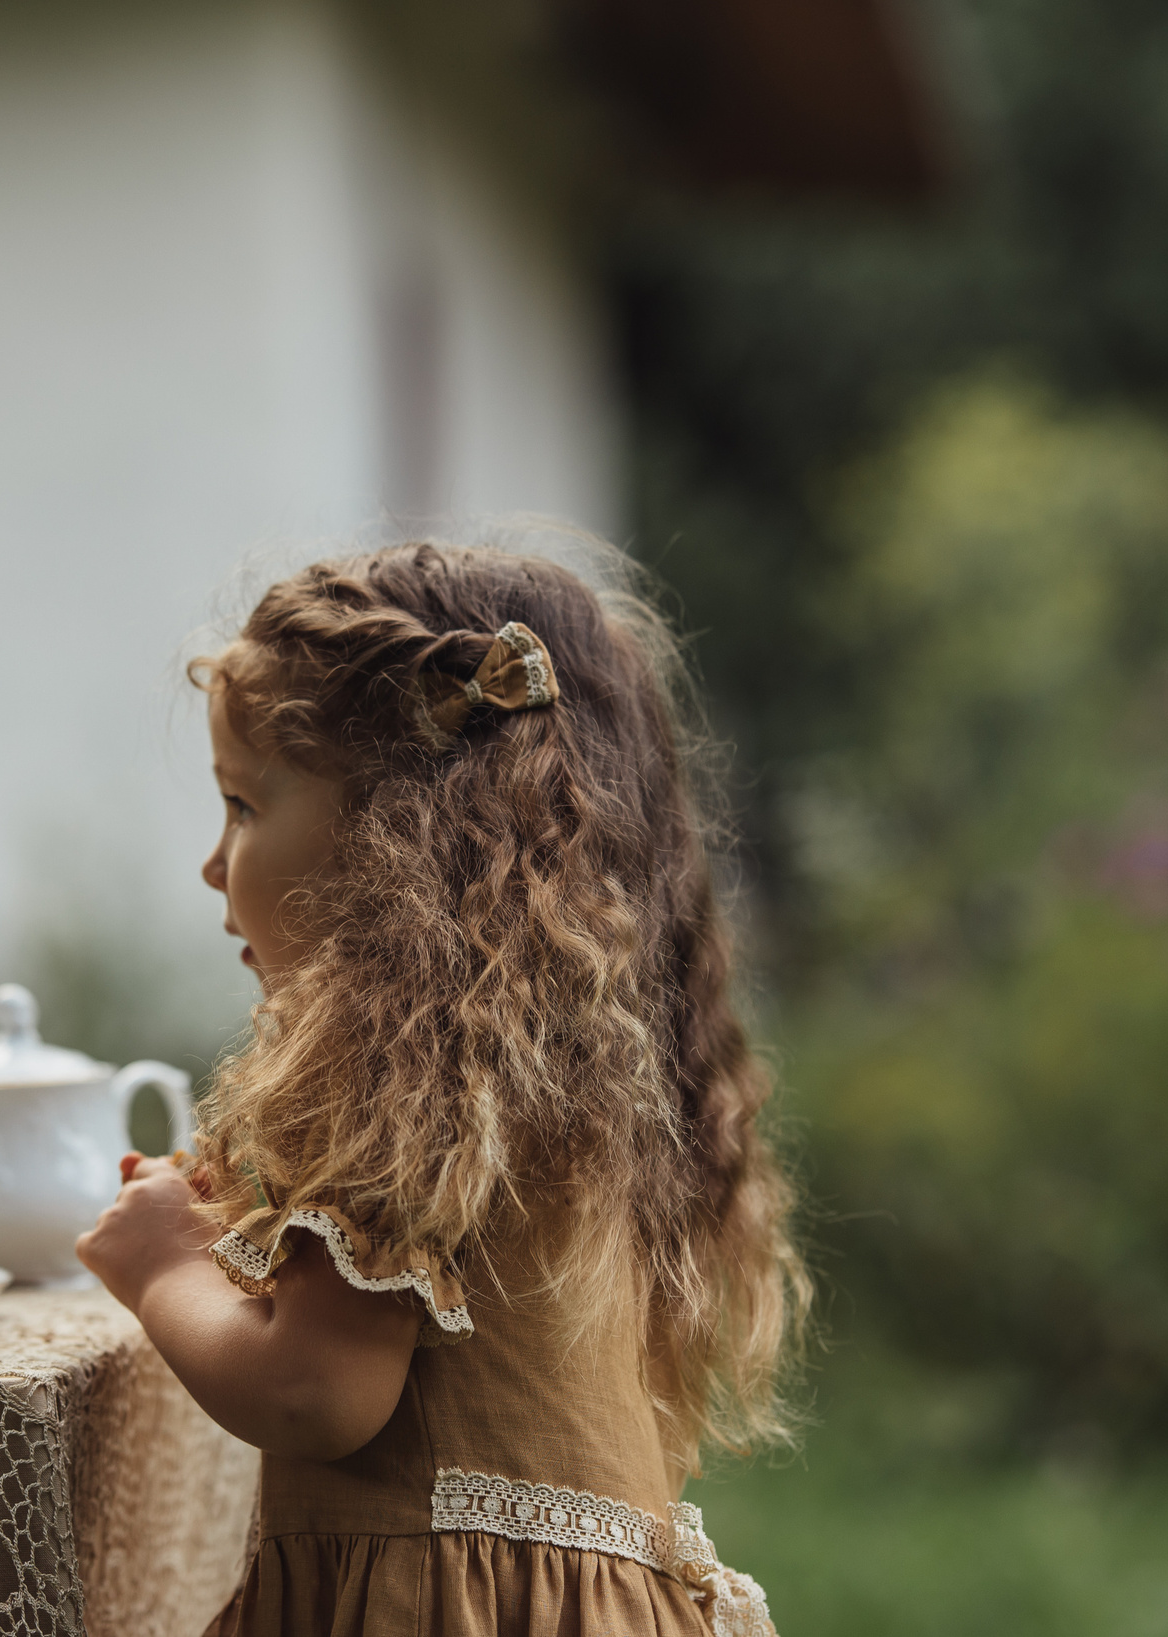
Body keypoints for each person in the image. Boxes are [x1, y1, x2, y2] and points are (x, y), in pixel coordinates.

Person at [77, 541, 804, 1636]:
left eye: (241, 804)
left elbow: (315, 1391)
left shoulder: (384, 1066)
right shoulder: (539, 1058)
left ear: (387, 832)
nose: (215, 862)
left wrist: (163, 1260)